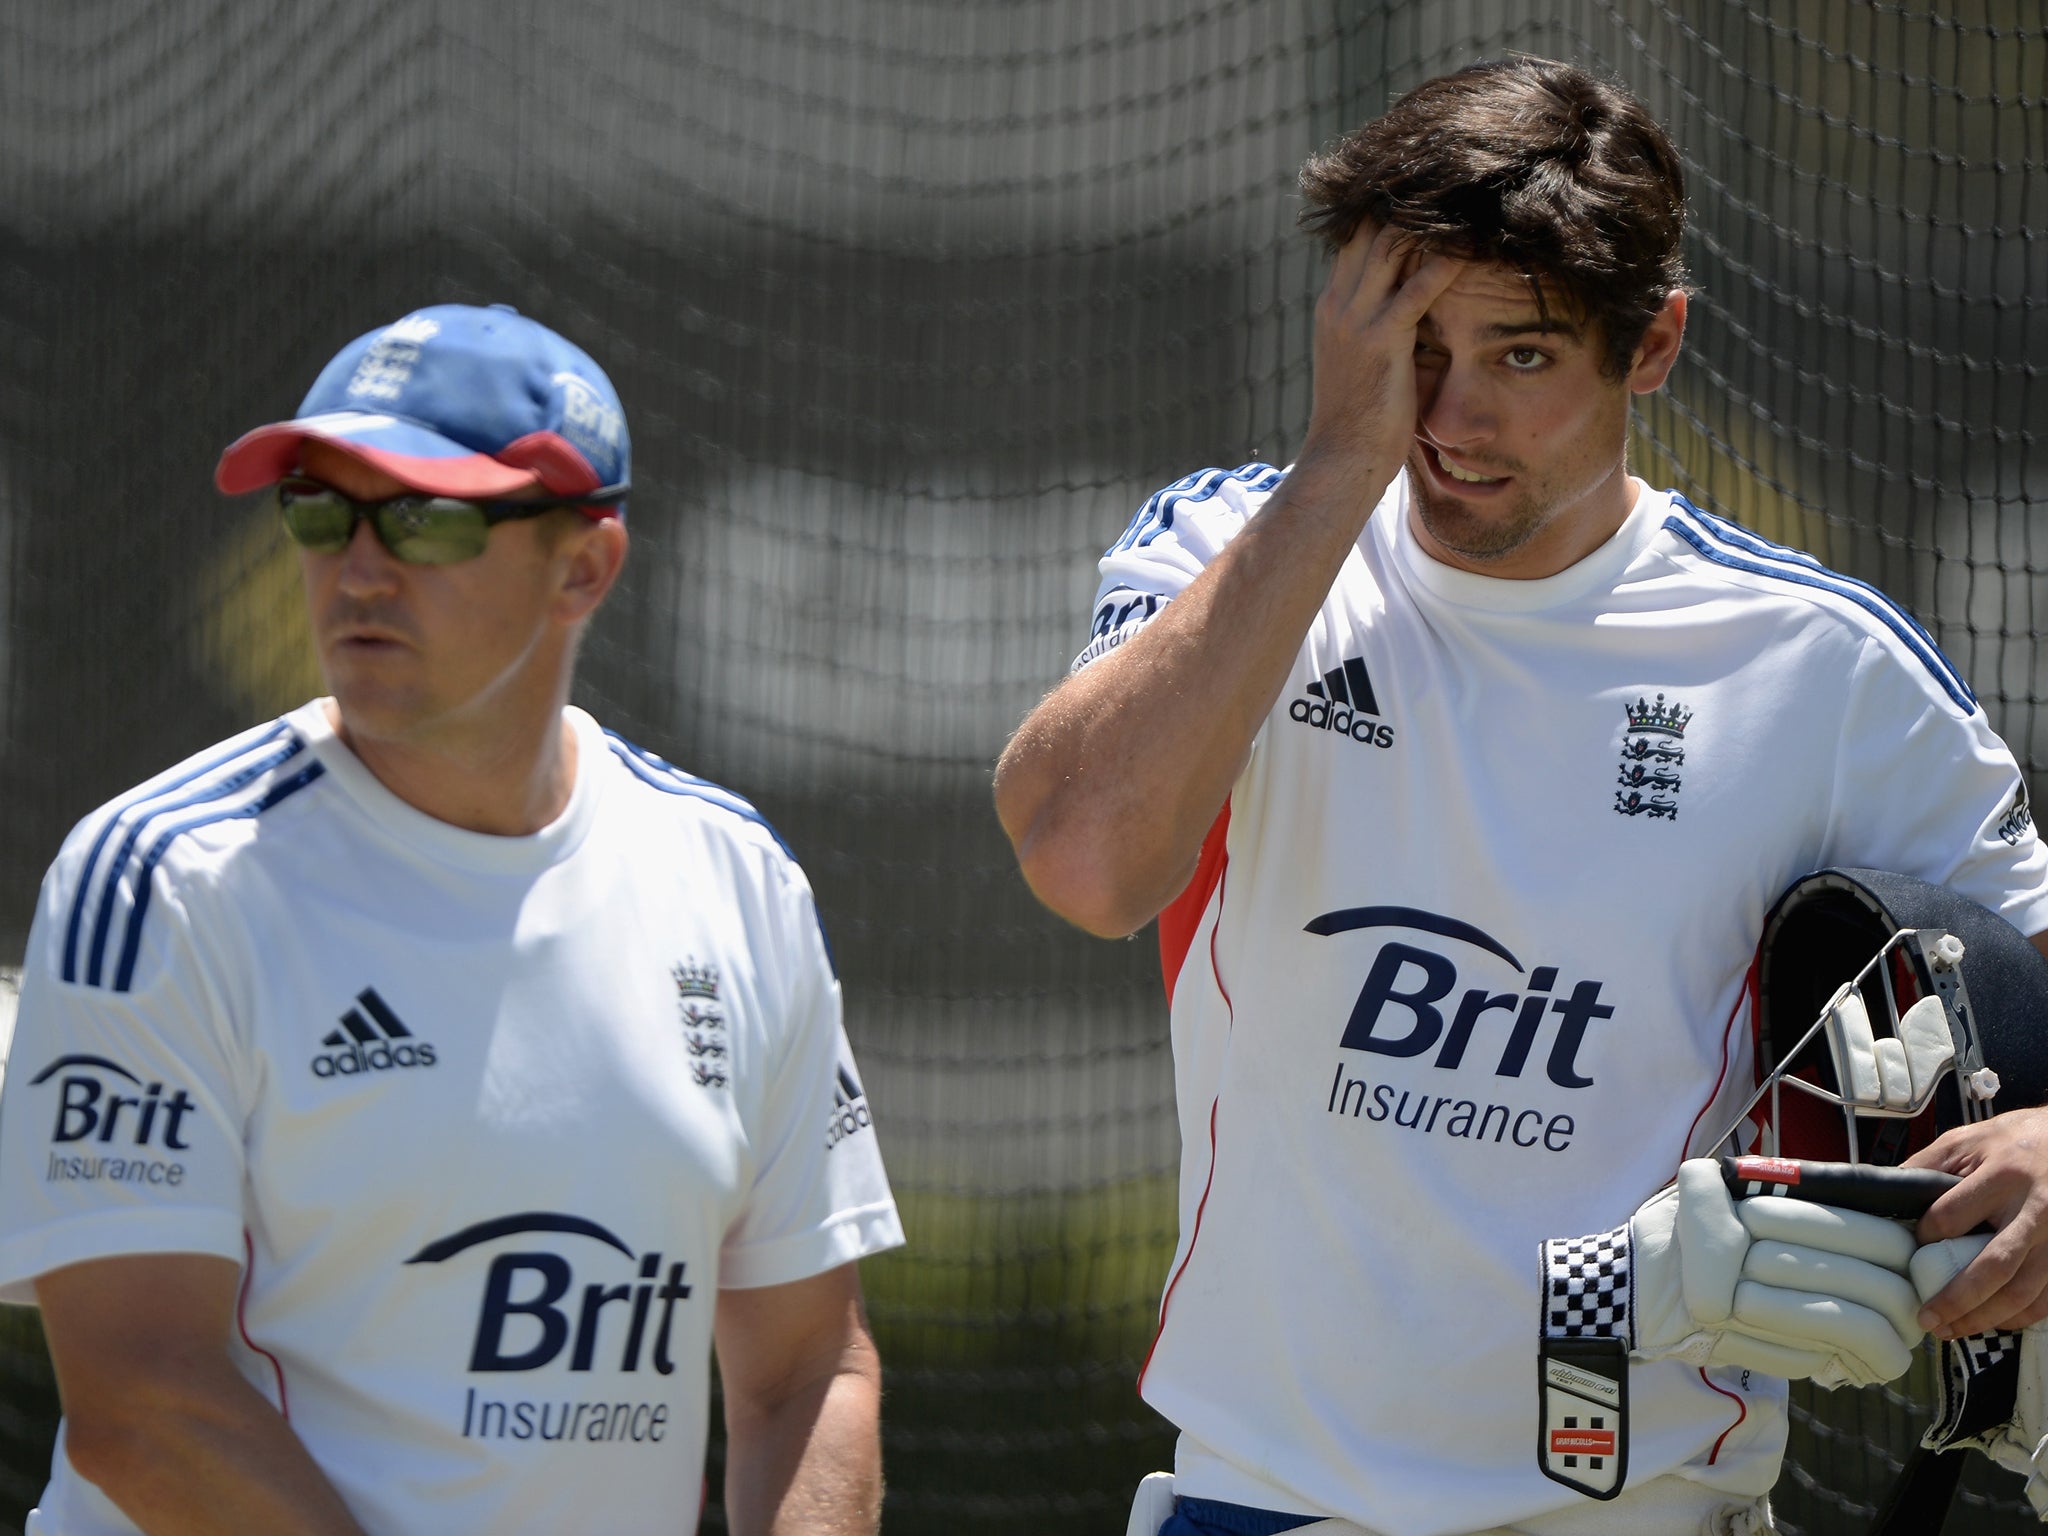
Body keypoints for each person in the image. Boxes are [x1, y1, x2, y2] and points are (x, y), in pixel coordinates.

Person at [993, 56, 2048, 1536]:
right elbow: (1088, 861)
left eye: (1522, 356)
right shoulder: (1233, 547)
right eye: (1415, 344)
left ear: (1655, 344)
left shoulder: (1825, 666)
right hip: (1262, 1504)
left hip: (1651, 1511)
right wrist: (1343, 457)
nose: (1453, 415)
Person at [0, 303, 903, 1535]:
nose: (355, 568)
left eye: (423, 517)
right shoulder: (160, 878)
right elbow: (142, 1402)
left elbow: (809, 1372)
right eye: (321, 510)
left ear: (584, 564)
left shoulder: (735, 878)